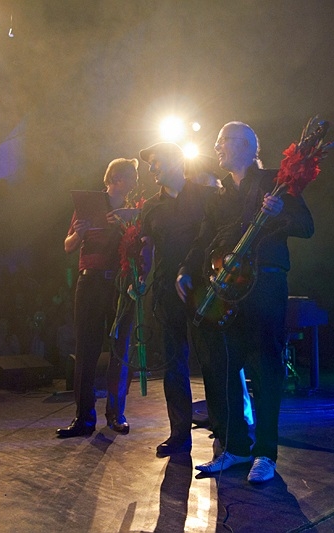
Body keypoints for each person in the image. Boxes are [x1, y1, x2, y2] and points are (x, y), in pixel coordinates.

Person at [176, 122, 314, 483]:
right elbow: (204, 239)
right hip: (227, 289)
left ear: (247, 146)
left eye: (223, 140)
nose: (216, 147)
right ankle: (235, 446)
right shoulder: (218, 196)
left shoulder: (275, 181)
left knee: (265, 368)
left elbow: (306, 225)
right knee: (222, 365)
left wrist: (281, 212)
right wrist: (185, 270)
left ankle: (265, 453)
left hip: (265, 284)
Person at [137, 142, 216, 457]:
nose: (151, 168)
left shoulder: (206, 196)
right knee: (173, 363)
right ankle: (179, 434)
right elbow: (146, 248)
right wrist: (140, 277)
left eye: (156, 162)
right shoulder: (150, 207)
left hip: (203, 288)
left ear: (174, 161)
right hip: (166, 291)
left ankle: (223, 428)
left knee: (211, 358)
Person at [58, 158, 139, 438]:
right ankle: (84, 417)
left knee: (120, 349)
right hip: (91, 281)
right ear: (115, 178)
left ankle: (116, 414)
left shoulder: (133, 209)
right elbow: (68, 246)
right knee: (86, 350)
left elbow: (141, 246)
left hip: (120, 283)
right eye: (131, 176)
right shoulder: (88, 206)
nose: (135, 182)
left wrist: (128, 223)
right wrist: (79, 233)